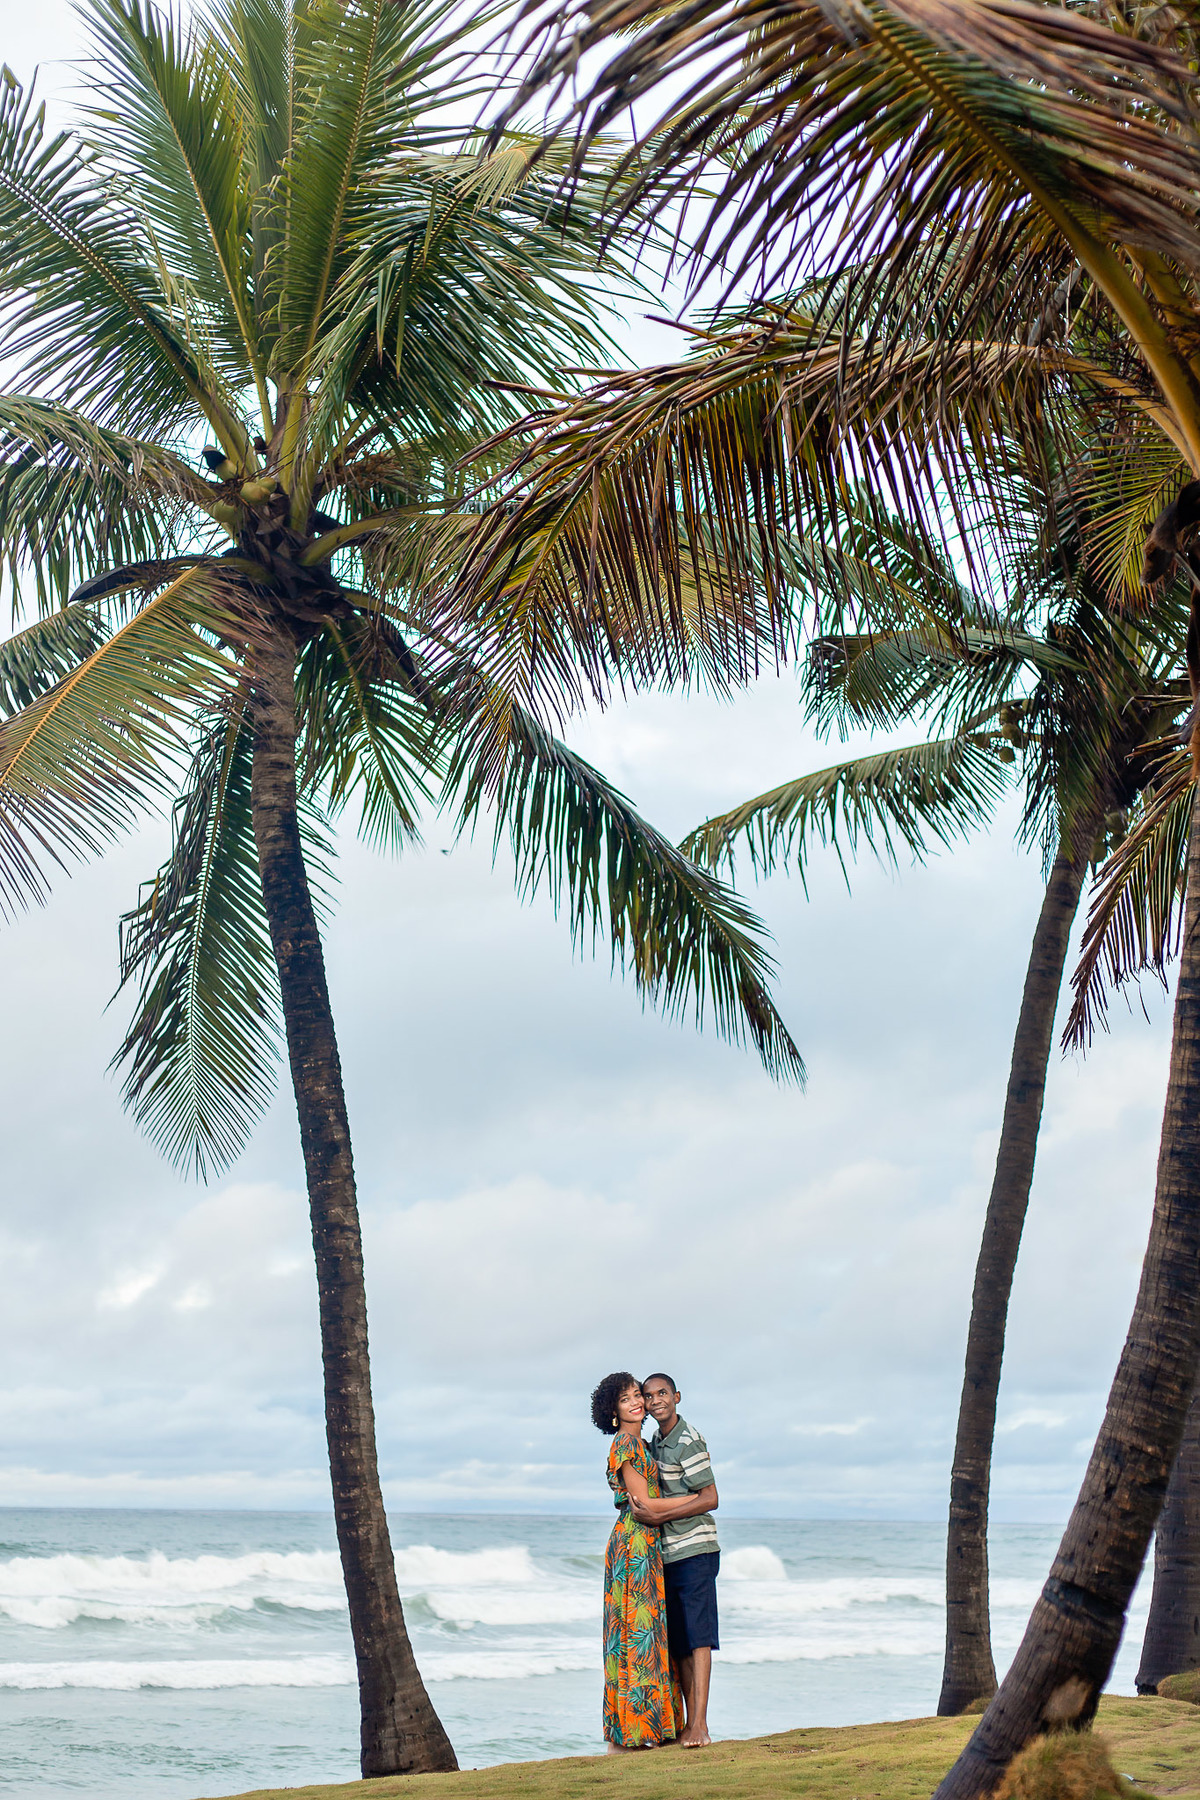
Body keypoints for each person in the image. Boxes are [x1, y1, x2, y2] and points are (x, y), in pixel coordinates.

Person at [590, 1370, 684, 1751]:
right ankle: (632, 1733)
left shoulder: (642, 1443)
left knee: (646, 1634)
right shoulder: (626, 1446)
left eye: (636, 1396)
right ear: (614, 1411)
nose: (635, 1402)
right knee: (634, 1634)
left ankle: (648, 1729)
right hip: (634, 1545)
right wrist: (699, 1501)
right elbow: (643, 1504)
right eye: (626, 1399)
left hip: (646, 1541)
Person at [631, 1373, 720, 1748]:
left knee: (699, 1638)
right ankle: (686, 1723)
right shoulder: (655, 1443)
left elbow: (711, 1497)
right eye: (649, 1396)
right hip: (669, 1554)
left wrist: (658, 1516)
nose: (655, 1401)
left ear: (677, 1397)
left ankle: (700, 1724)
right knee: (680, 1641)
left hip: (697, 1550)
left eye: (662, 1393)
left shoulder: (687, 1440)